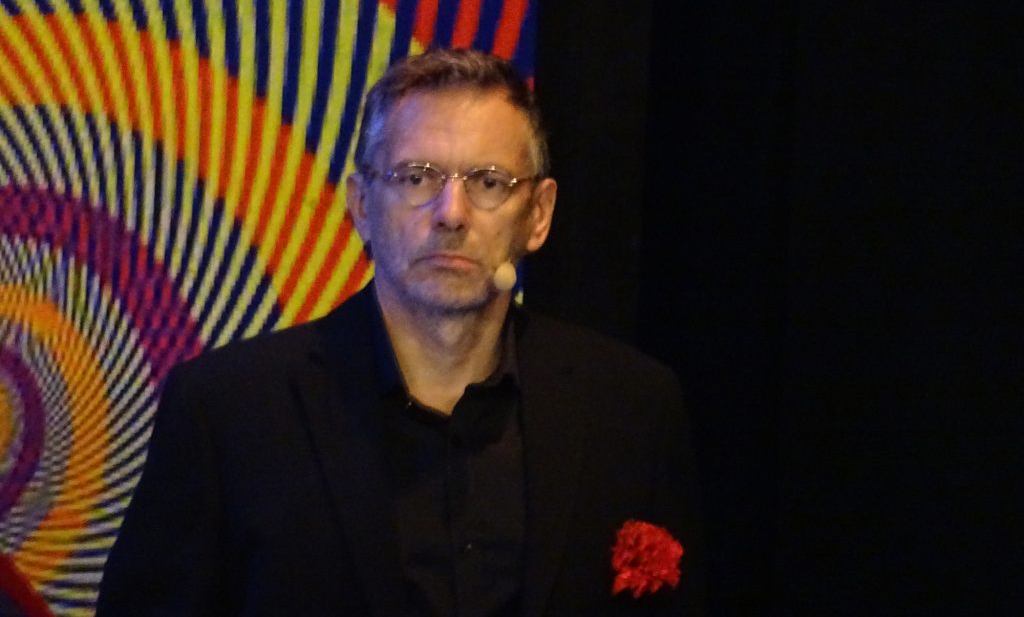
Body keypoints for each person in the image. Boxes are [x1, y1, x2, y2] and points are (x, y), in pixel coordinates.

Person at [97, 48, 705, 616]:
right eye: (417, 177)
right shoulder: (228, 412)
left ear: (538, 215)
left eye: (488, 181)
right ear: (361, 204)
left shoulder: (631, 408)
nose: (451, 214)